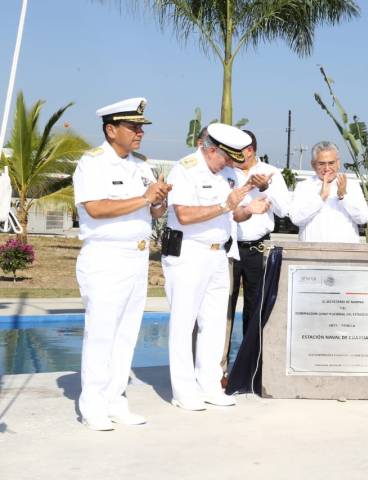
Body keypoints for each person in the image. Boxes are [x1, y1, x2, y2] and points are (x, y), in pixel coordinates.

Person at [73, 97, 171, 430]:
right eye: (132, 127)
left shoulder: (142, 165)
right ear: (111, 130)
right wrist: (144, 198)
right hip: (106, 257)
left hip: (137, 256)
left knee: (126, 334)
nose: (139, 132)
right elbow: (95, 208)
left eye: (141, 127)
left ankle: (115, 400)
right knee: (101, 333)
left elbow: (152, 211)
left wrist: (159, 200)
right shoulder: (93, 163)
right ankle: (93, 406)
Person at [163, 123, 269, 411]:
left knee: (214, 323)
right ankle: (183, 390)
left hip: (219, 254)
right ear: (210, 150)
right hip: (189, 253)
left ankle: (209, 385)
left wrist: (249, 210)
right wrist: (225, 205)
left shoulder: (227, 174)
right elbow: (184, 215)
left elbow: (234, 214)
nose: (229, 164)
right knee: (184, 324)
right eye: (225, 158)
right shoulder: (185, 169)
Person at [225, 130, 290, 375]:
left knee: (255, 309)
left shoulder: (271, 173)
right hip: (229, 249)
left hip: (257, 249)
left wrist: (266, 188)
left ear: (250, 150)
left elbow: (284, 211)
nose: (232, 155)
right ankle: (220, 369)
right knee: (224, 309)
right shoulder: (226, 171)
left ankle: (251, 368)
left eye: (236, 150)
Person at [289, 141, 368, 242]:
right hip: (311, 250)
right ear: (313, 165)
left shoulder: (352, 185)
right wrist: (321, 198)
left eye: (331, 163)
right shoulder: (304, 187)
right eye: (321, 164)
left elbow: (363, 218)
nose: (327, 168)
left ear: (338, 163)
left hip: (344, 250)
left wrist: (343, 197)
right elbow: (296, 219)